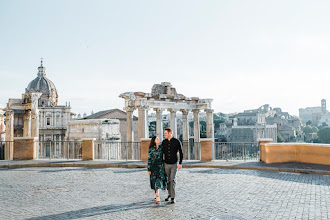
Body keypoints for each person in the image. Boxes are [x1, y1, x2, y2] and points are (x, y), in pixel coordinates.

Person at [162, 128, 183, 204]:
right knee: (168, 180)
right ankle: (169, 194)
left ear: (170, 133)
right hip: (166, 164)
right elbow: (161, 153)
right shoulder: (164, 142)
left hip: (174, 164)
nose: (164, 135)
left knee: (172, 179)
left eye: (166, 133)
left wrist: (180, 163)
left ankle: (173, 197)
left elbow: (181, 152)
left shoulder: (177, 141)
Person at [147, 136, 167, 204]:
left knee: (159, 180)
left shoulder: (161, 148)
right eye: (157, 138)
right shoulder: (151, 149)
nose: (158, 139)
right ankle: (156, 194)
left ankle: (157, 195)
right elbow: (149, 159)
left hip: (160, 166)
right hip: (153, 167)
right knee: (154, 181)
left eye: (159, 138)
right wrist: (149, 169)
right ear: (154, 140)